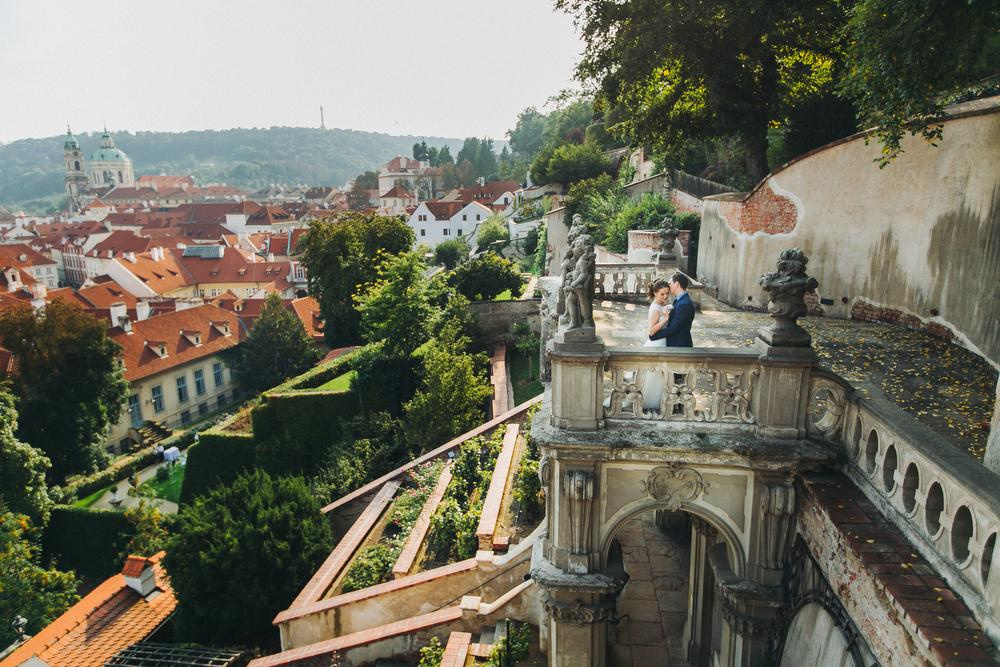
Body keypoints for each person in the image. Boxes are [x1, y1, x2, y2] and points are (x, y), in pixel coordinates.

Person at [641, 279, 671, 414]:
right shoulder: (655, 309)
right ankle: (649, 402)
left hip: (662, 342)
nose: (665, 296)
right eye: (662, 294)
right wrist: (665, 319)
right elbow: (651, 331)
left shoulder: (661, 304)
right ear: (655, 293)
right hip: (657, 343)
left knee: (659, 376)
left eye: (667, 293)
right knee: (654, 375)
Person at [649, 272, 694, 347]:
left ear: (676, 284)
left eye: (670, 283)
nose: (669, 286)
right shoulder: (679, 300)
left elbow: (673, 328)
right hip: (672, 343)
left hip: (679, 346)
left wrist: (653, 336)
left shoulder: (684, 304)